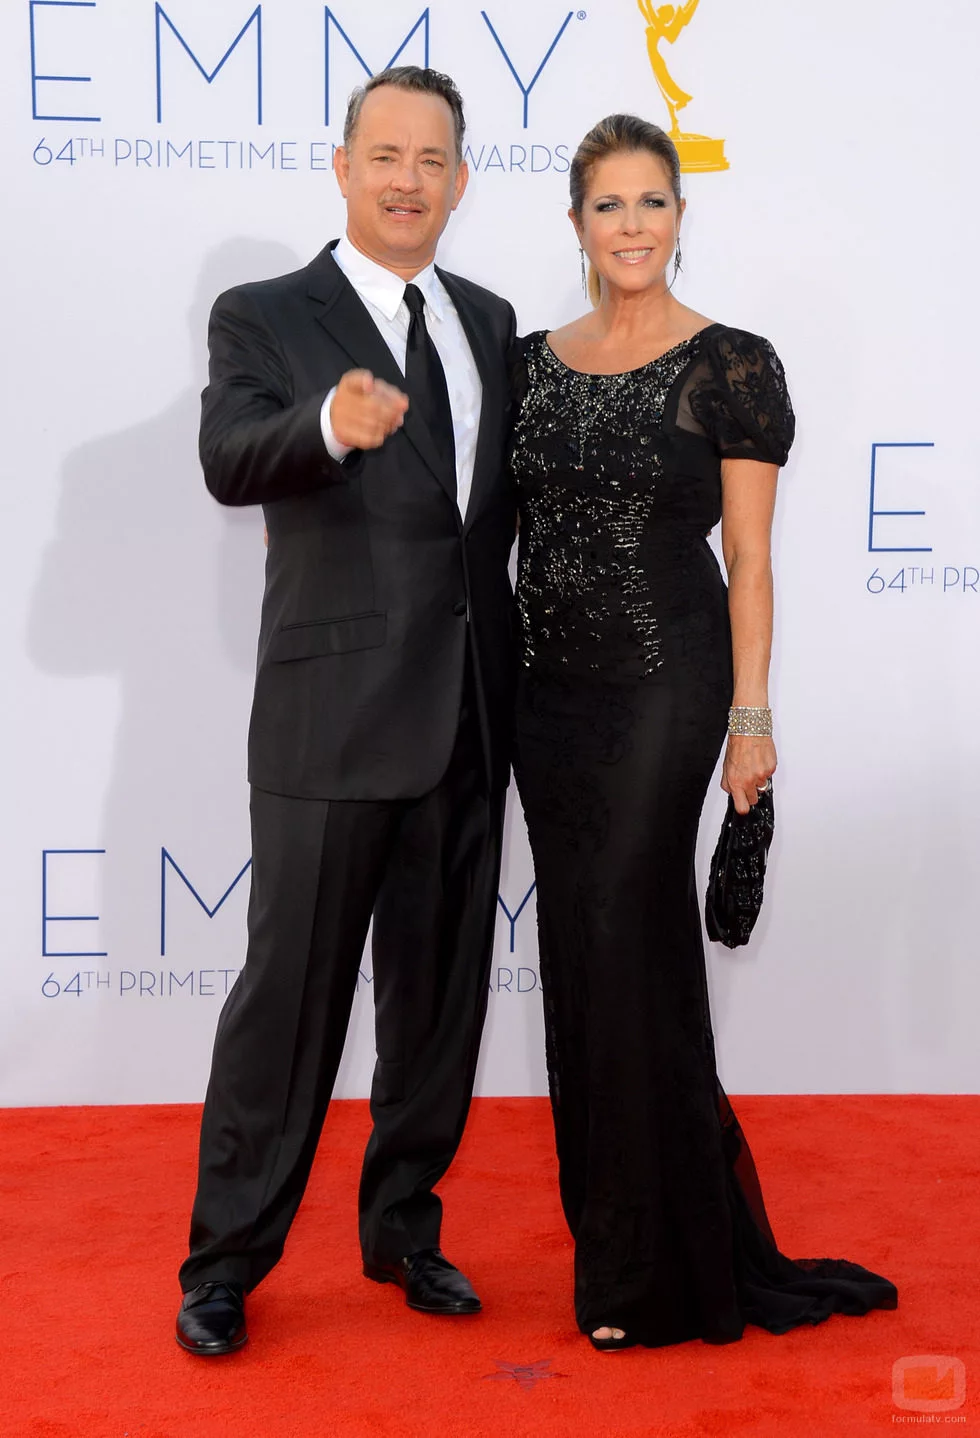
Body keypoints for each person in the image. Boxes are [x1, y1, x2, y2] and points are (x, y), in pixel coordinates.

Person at [509, 113, 898, 1350]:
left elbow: (750, 556)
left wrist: (749, 719)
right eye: (607, 204)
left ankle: (652, 1276)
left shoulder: (729, 363)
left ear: (680, 216)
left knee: (627, 939)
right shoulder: (526, 366)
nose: (630, 225)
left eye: (651, 202)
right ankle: (625, 1241)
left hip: (667, 686)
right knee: (581, 957)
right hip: (545, 702)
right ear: (576, 222)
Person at [176, 66, 517, 1356]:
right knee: (289, 1008)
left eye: (431, 160)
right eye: (385, 155)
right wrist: (324, 420)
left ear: (461, 180)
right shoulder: (265, 315)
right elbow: (228, 458)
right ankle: (224, 1262)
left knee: (437, 1004)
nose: (406, 180)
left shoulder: (488, 320)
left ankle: (403, 1228)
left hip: (469, 718)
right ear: (341, 167)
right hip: (329, 723)